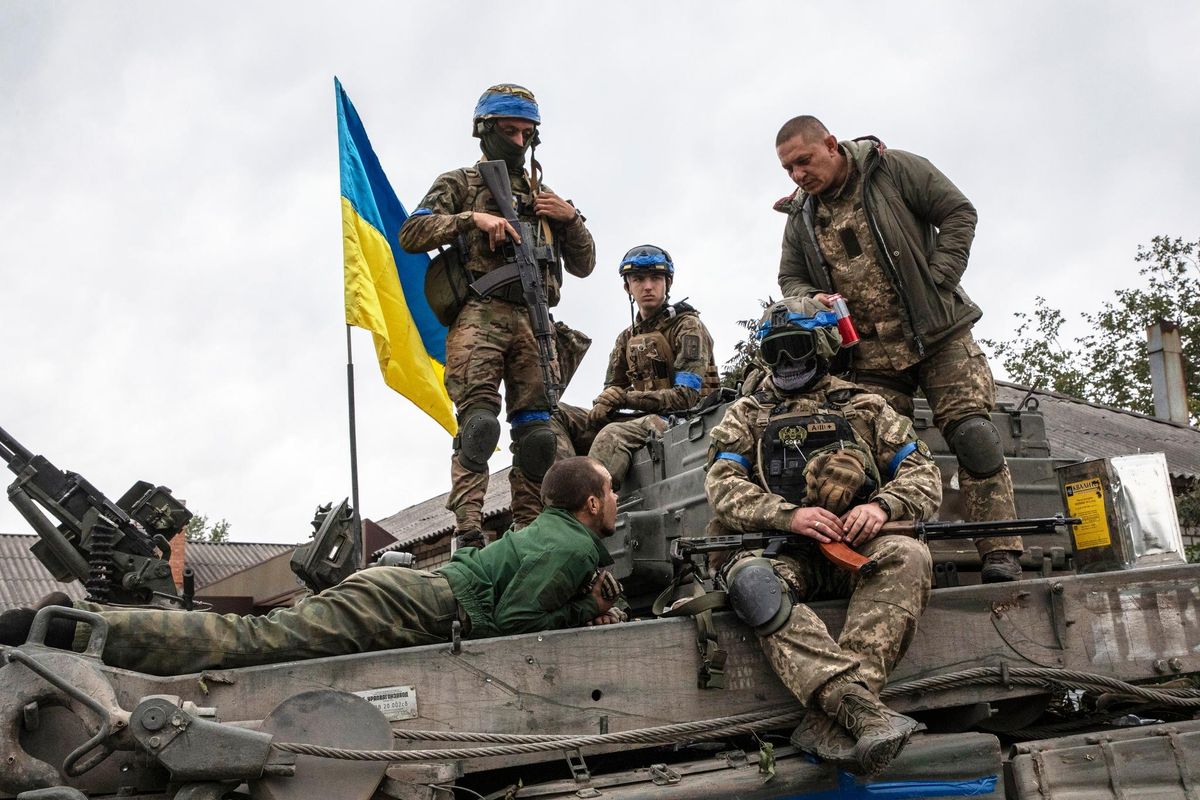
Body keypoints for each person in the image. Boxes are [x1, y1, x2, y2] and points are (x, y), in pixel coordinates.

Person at [0, 457, 625, 677]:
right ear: (590, 503)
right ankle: (71, 626)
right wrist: (584, 610)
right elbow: (511, 629)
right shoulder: (571, 548)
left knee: (256, 639)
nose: (619, 500)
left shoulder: (553, 534)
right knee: (253, 643)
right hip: (417, 604)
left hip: (409, 594)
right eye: (612, 491)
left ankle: (78, 623)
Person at [773, 115, 1023, 582]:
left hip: (938, 334)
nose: (797, 175)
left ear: (830, 144)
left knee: (974, 437)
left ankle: (1001, 549)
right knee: (867, 454)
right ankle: (896, 555)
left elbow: (958, 212)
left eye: (803, 161)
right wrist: (812, 301)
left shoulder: (894, 170)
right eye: (788, 169)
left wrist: (940, 277)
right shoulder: (800, 216)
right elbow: (790, 277)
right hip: (867, 355)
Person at [704, 297, 940, 774]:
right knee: (753, 584)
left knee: (908, 556)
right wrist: (788, 515)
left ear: (823, 346)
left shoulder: (866, 407)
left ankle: (834, 717)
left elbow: (923, 474)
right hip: (782, 549)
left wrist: (882, 507)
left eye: (796, 349)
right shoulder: (747, 414)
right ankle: (855, 708)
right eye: (774, 354)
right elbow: (722, 485)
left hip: (857, 546)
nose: (786, 364)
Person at [398, 84, 596, 549]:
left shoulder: (543, 196)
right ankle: (467, 530)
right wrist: (471, 220)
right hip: (480, 317)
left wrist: (571, 219)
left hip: (534, 322)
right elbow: (412, 232)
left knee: (537, 439)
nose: (520, 142)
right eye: (509, 131)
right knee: (479, 427)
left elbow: (584, 265)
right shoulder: (461, 183)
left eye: (527, 133)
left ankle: (528, 531)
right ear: (485, 132)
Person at [583, 244, 719, 488]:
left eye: (656, 278)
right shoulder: (626, 338)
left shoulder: (687, 328)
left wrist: (624, 399)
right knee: (556, 417)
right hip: (642, 419)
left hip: (688, 420)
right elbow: (612, 390)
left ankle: (588, 512)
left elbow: (686, 397)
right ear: (627, 286)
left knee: (612, 435)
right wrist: (604, 402)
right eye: (638, 279)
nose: (648, 286)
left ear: (668, 283)